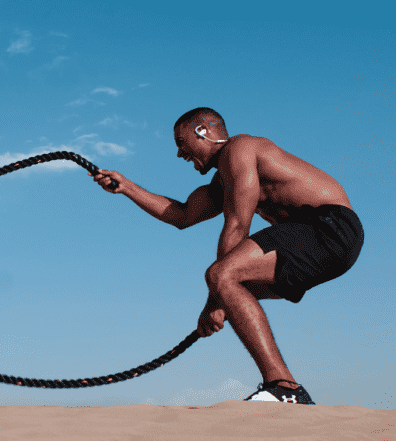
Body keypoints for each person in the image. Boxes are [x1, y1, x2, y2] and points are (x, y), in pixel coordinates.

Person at [88, 107, 364, 405]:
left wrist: (214, 300)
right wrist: (126, 186)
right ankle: (287, 389)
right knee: (234, 288)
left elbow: (237, 226)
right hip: (329, 244)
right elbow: (182, 215)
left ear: (202, 132)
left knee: (222, 276)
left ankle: (284, 387)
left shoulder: (240, 149)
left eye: (181, 143)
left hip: (328, 227)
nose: (180, 154)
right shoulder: (224, 180)